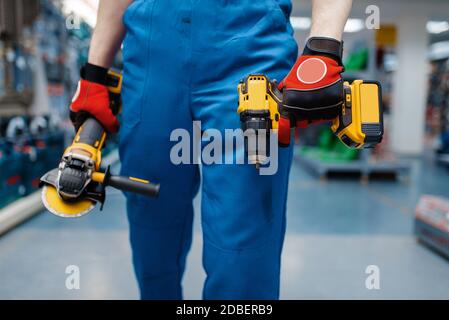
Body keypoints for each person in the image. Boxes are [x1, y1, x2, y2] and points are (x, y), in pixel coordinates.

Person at [70, 0, 353, 299]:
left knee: (243, 251)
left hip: (249, 50)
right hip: (151, 55)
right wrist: (95, 75)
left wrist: (323, 48)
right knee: (151, 230)